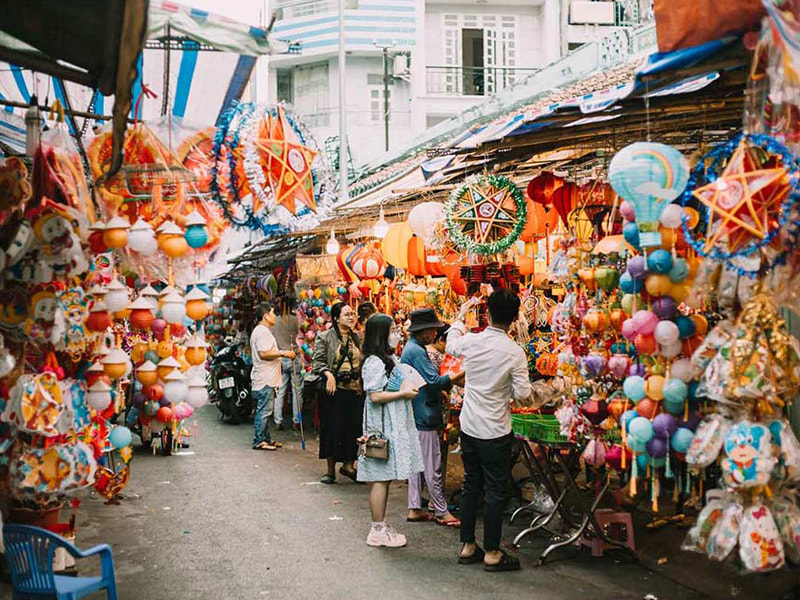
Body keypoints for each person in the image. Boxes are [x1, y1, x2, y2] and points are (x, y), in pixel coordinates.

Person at [446, 290, 532, 571]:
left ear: (488, 313)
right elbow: (523, 394)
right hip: (495, 430)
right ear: (515, 318)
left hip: (470, 426)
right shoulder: (514, 352)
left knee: (471, 484)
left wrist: (461, 317)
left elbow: (451, 344)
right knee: (496, 489)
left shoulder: (473, 341)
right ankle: (493, 552)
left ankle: (468, 545)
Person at [358, 313, 423, 548]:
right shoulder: (375, 362)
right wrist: (402, 393)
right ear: (381, 333)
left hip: (390, 424)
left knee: (384, 478)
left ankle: (381, 526)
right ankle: (377, 529)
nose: (397, 333)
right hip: (382, 428)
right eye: (393, 329)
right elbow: (375, 396)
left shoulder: (386, 359)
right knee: (380, 478)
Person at [401, 308, 464, 527]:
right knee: (432, 465)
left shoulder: (413, 348)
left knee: (418, 465)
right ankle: (441, 511)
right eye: (433, 330)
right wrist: (461, 374)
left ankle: (414, 507)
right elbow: (434, 381)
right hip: (424, 414)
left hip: (418, 411)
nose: (436, 334)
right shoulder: (417, 351)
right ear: (425, 331)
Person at [311, 302, 363, 484]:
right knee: (331, 429)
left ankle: (349, 465)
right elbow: (317, 362)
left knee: (353, 428)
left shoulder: (357, 337)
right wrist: (328, 374)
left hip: (354, 389)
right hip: (333, 391)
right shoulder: (325, 337)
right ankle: (330, 470)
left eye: (352, 314)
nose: (351, 317)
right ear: (335, 318)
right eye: (347, 314)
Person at [251, 303, 296, 451]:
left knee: (266, 410)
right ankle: (259, 440)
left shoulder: (262, 331)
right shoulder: (262, 332)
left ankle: (266, 439)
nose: (275, 316)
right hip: (265, 379)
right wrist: (283, 353)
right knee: (264, 411)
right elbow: (264, 353)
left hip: (267, 378)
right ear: (266, 316)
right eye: (273, 313)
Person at [271, 297, 303, 431]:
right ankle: (297, 421)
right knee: (297, 391)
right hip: (294, 357)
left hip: (281, 357)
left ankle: (278, 420)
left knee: (280, 391)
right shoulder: (297, 320)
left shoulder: (274, 321)